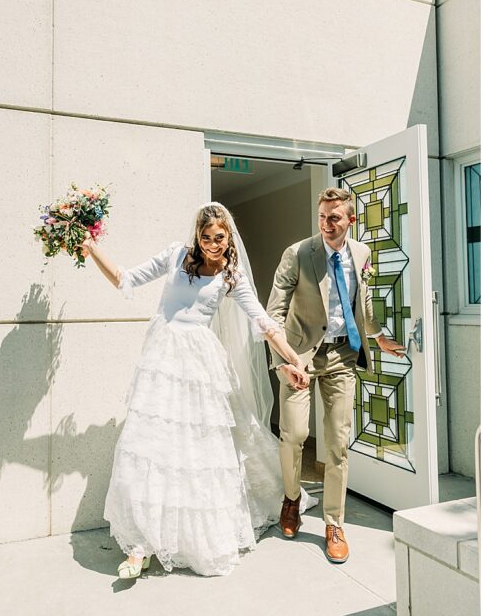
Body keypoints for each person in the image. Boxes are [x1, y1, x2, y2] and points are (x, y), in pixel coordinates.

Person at [80, 202, 313, 578]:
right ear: (197, 236)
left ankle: (189, 537)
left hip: (200, 365)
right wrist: (91, 250)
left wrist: (294, 360)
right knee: (152, 447)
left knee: (196, 451)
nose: (212, 245)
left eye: (219, 238)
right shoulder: (175, 257)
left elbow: (264, 323)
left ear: (228, 237)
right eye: (206, 238)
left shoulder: (231, 277)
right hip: (161, 362)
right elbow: (125, 278)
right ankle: (140, 546)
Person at [267, 187, 405, 564]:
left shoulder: (361, 253)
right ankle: (292, 499)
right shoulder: (297, 254)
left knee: (338, 444)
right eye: (322, 217)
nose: (327, 225)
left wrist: (378, 337)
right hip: (299, 355)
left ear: (350, 220)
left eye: (334, 218)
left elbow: (360, 302)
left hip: (343, 355)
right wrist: (285, 360)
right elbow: (273, 314)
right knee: (295, 434)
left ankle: (334, 523)